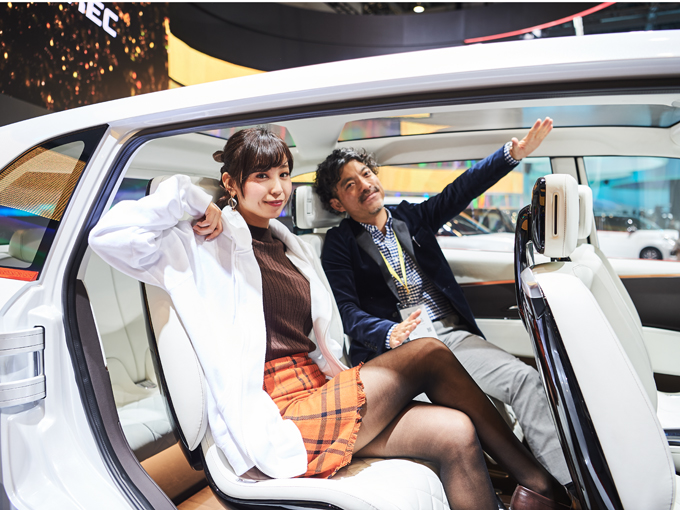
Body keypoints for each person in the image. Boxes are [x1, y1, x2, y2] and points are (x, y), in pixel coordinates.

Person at [89, 127, 576, 510]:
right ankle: (539, 483)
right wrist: (199, 201)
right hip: (279, 410)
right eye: (261, 177)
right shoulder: (203, 241)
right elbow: (109, 236)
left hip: (319, 388)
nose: (277, 188)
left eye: (283, 174)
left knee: (456, 431)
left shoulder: (289, 246)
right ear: (232, 184)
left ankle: (535, 487)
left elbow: (327, 331)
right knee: (429, 352)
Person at [315, 118, 571, 485]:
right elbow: (347, 312)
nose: (365, 184)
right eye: (350, 184)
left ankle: (559, 485)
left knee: (522, 384)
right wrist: (388, 332)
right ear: (337, 202)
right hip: (401, 352)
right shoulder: (339, 245)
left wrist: (511, 155)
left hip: (451, 336)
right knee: (483, 411)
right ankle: (538, 485)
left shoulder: (411, 217)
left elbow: (460, 191)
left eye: (366, 174)